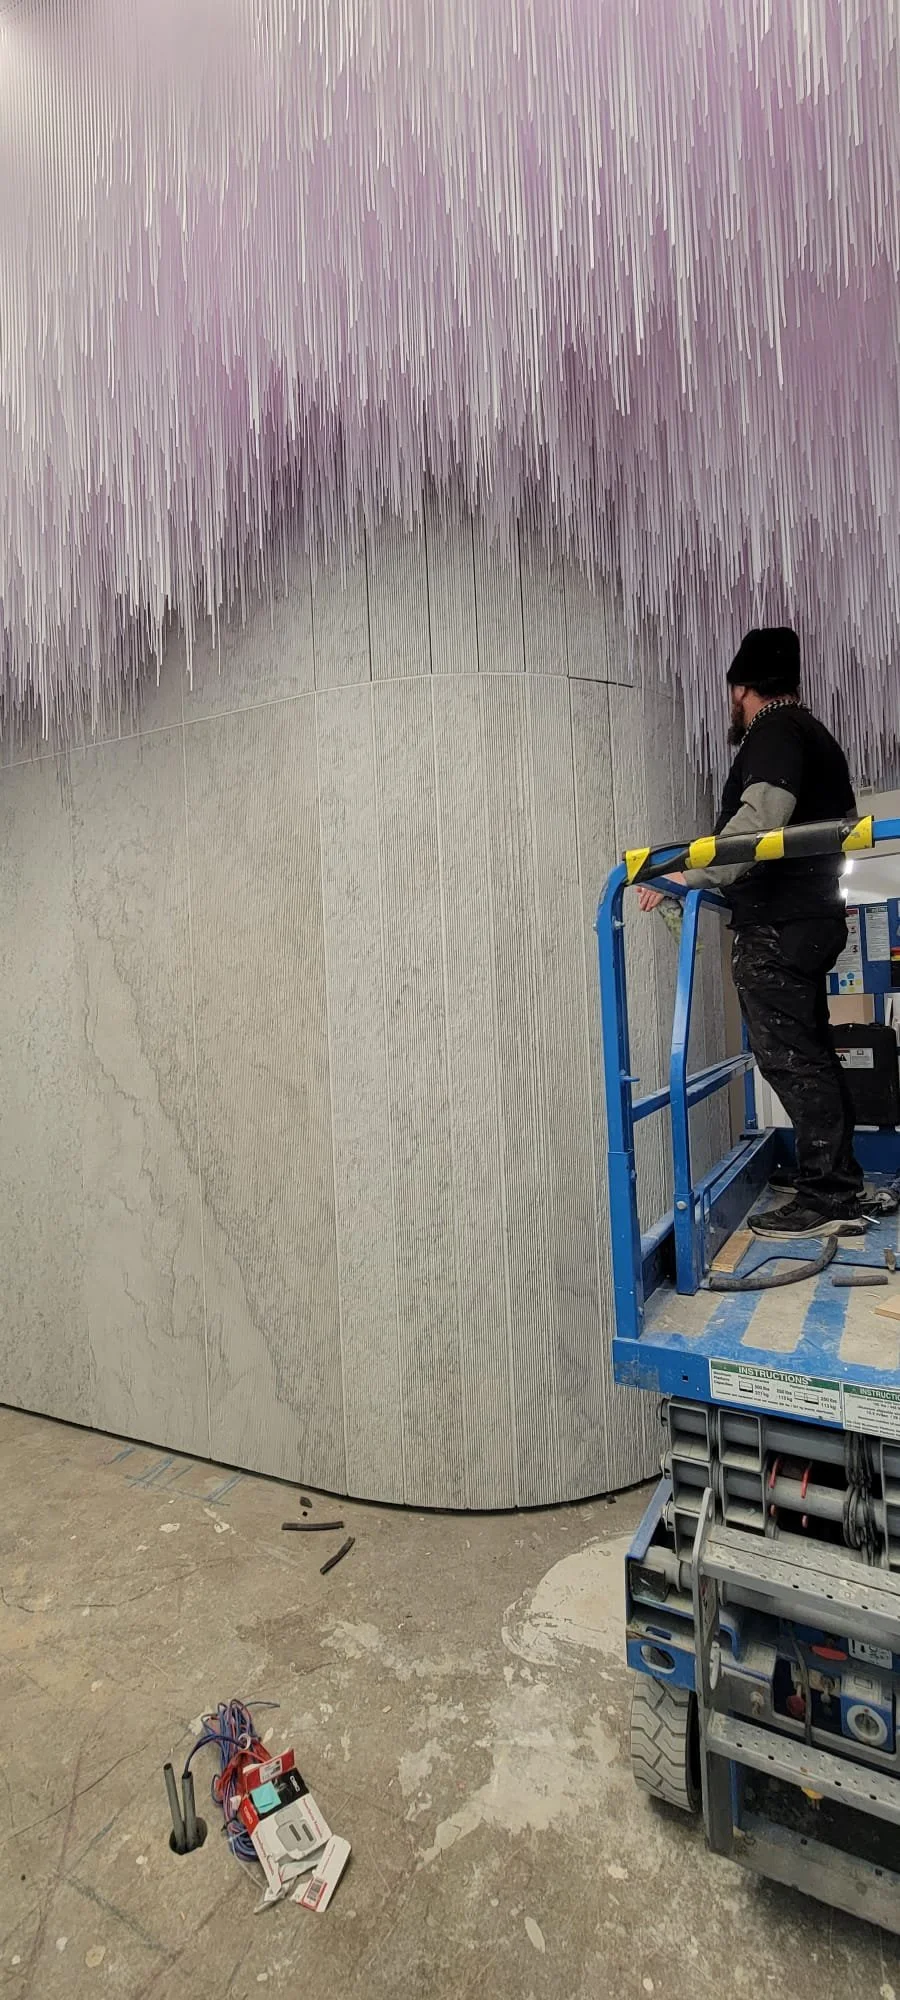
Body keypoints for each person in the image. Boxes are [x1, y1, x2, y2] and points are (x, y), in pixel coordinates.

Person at [638, 626, 865, 1241]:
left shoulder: (775, 734)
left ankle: (830, 1194)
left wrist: (689, 873)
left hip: (781, 924)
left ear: (742, 688)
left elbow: (759, 823)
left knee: (788, 1056)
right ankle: (835, 1175)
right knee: (810, 1051)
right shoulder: (815, 737)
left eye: (731, 694)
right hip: (811, 918)